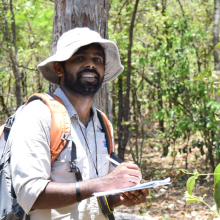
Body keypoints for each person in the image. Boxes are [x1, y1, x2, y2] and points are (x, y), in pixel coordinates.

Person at [9, 27, 149, 220]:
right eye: (80, 58)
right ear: (59, 68)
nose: (90, 65)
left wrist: (122, 196)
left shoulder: (102, 123)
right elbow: (30, 194)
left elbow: (92, 198)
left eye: (97, 60)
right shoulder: (37, 114)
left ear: (103, 70)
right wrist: (106, 182)